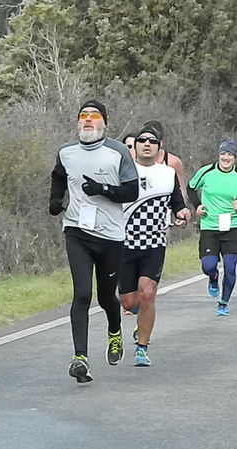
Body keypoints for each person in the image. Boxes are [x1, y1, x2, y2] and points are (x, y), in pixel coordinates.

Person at [49, 100, 139, 383]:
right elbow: (58, 176)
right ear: (78, 122)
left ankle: (115, 331)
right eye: (83, 116)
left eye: (94, 116)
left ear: (104, 123)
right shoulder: (67, 152)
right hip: (77, 230)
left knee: (105, 297)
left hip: (110, 236)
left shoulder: (118, 151)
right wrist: (55, 200)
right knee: (83, 294)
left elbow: (131, 191)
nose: (88, 120)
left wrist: (102, 189)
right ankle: (80, 358)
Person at [118, 127, 191, 366]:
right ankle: (142, 321)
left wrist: (182, 213)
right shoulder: (123, 172)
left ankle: (142, 347)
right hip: (125, 243)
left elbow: (177, 203)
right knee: (129, 302)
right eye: (142, 141)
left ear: (159, 147)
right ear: (135, 146)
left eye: (152, 141)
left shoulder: (167, 173)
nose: (146, 144)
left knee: (147, 294)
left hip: (154, 242)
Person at [187, 138, 237, 316]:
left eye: (230, 154)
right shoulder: (206, 171)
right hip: (210, 225)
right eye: (223, 153)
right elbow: (191, 187)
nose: (226, 157)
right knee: (208, 265)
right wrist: (197, 205)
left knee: (231, 269)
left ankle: (223, 303)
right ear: (219, 155)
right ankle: (213, 277)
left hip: (232, 226)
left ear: (235, 158)